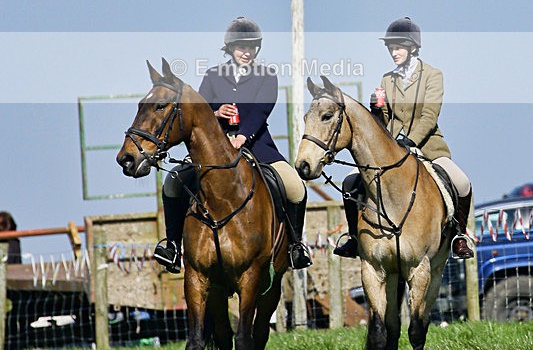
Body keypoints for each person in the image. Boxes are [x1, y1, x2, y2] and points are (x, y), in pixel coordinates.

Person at [154, 17, 312, 272]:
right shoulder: (213, 75)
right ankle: (172, 246)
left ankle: (295, 247)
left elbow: (261, 110)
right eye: (241, 47)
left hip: (257, 145)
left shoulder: (267, 76)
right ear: (230, 48)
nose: (247, 52)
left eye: (251, 47)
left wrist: (243, 136)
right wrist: (215, 113)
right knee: (173, 182)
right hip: (214, 147)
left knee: (295, 187)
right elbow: (200, 109)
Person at [334, 16, 474, 260]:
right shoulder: (387, 79)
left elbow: (429, 116)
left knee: (462, 183)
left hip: (428, 147)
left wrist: (411, 141)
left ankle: (458, 236)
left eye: (398, 47)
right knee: (349, 182)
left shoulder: (433, 75)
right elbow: (385, 121)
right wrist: (377, 112)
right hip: (392, 150)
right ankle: (354, 238)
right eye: (391, 47)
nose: (393, 52)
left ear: (412, 47)